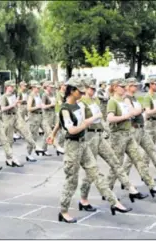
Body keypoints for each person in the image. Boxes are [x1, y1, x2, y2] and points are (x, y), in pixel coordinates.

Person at [50, 77, 132, 223]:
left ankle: (114, 202)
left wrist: (53, 133)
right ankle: (63, 211)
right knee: (72, 181)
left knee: (96, 172)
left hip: (83, 143)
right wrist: (90, 120)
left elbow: (60, 123)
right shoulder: (65, 108)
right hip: (72, 146)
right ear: (72, 90)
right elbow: (72, 129)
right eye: (79, 91)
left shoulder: (78, 105)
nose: (82, 93)